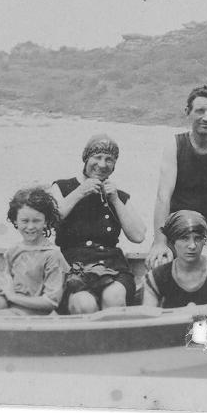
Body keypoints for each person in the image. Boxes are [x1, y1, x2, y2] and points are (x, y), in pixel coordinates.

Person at [146, 85, 207, 269]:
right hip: (175, 230)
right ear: (188, 112)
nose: (206, 117)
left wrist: (206, 246)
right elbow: (163, 196)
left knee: (203, 266)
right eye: (200, 111)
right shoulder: (175, 145)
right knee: (160, 264)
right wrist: (159, 242)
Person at [50, 134, 146, 313]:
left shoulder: (118, 195)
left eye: (109, 160)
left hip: (113, 268)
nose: (102, 165)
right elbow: (50, 221)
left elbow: (138, 235)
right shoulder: (63, 187)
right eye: (97, 157)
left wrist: (116, 200)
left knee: (114, 297)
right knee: (84, 304)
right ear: (86, 159)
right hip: (73, 269)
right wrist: (80, 192)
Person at [0, 187, 67, 315]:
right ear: (16, 221)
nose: (30, 227)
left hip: (33, 310)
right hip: (9, 302)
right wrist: (3, 289)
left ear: (46, 222)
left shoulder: (52, 255)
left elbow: (51, 302)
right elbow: (7, 282)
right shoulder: (14, 250)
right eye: (25, 221)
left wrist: (13, 297)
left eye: (36, 221)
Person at [143, 210, 207, 308]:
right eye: (184, 238)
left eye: (198, 238)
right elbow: (149, 320)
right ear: (172, 242)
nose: (192, 245)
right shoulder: (156, 277)